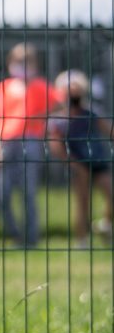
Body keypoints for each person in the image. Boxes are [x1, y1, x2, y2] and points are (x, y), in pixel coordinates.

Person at [0, 42, 58, 247]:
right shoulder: (4, 87)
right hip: (6, 142)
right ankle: (15, 233)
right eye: (18, 61)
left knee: (28, 193)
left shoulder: (41, 86)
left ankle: (30, 239)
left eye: (27, 61)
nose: (23, 65)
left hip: (31, 141)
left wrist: (38, 118)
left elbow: (59, 106)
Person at [48, 69, 114, 247]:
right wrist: (73, 163)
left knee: (110, 192)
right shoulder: (58, 119)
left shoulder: (92, 112)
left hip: (98, 160)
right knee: (83, 201)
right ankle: (82, 239)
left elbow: (108, 130)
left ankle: (105, 224)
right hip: (77, 163)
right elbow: (55, 144)